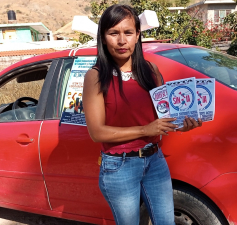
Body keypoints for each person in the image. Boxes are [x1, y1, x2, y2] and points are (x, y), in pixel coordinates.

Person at [83, 4, 202, 225]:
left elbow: (165, 116)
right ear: (103, 36)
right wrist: (145, 130)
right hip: (119, 166)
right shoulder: (96, 76)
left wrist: (183, 123)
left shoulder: (151, 70)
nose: (121, 41)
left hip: (155, 160)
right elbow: (97, 132)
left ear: (138, 35)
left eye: (128, 32)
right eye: (113, 33)